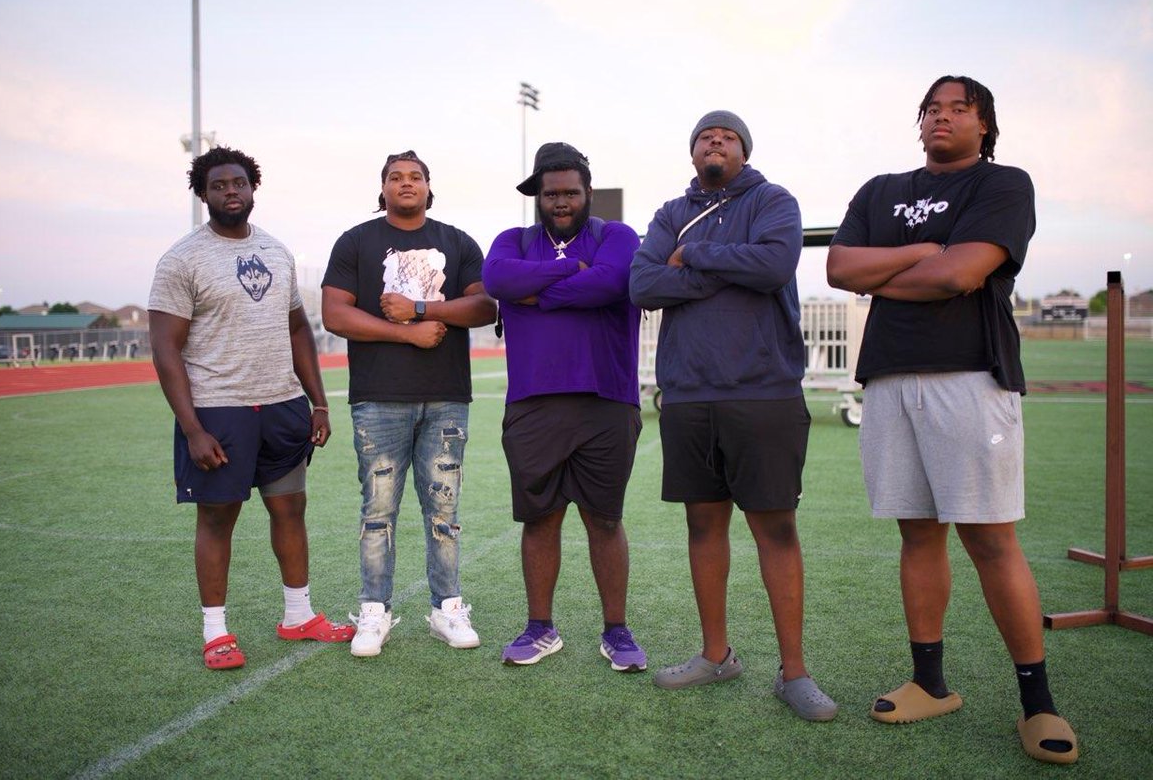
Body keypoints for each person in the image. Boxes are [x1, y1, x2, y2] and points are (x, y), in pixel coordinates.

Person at [827, 75, 1077, 764]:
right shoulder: (881, 190)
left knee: (992, 541)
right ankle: (930, 683)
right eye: (931, 109)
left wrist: (896, 273)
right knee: (917, 534)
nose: (941, 118)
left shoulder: (1003, 184)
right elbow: (840, 268)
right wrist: (917, 254)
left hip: (970, 377)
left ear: (985, 125)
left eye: (958, 109)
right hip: (888, 379)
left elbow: (960, 276)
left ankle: (1038, 703)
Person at [629, 112, 836, 719]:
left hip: (763, 390)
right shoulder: (670, 211)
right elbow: (642, 285)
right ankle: (716, 654)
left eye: (726, 137)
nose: (713, 142)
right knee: (703, 525)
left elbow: (773, 267)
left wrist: (692, 257)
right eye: (703, 137)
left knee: (775, 528)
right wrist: (721, 274)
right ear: (692, 152)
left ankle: (794, 672)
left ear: (744, 150)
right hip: (689, 394)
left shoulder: (773, 200)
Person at [149, 146, 352, 671]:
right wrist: (192, 427)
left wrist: (319, 401)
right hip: (220, 410)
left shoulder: (278, 252)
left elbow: (296, 329)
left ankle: (298, 615)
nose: (231, 192)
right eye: (219, 185)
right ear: (203, 194)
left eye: (238, 183)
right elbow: (166, 349)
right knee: (218, 520)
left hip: (283, 405)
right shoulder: (181, 259)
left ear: (253, 187)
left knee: (290, 509)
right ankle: (215, 631)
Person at [322, 150, 497, 657]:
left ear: (428, 186)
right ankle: (374, 611)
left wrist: (422, 307)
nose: (406, 183)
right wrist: (410, 335)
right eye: (395, 177)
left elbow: (484, 305)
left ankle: (448, 607)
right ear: (383, 189)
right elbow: (335, 314)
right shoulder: (356, 242)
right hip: (378, 398)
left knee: (444, 509)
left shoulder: (457, 241)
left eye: (415, 177)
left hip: (446, 398)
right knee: (378, 511)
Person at [482, 142, 647, 672]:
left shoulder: (615, 236)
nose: (560, 201)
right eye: (550, 193)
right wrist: (571, 275)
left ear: (587, 193)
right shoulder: (513, 240)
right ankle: (540, 628)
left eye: (570, 192)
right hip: (533, 400)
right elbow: (497, 281)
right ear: (537, 194)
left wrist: (536, 294)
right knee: (540, 520)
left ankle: (617, 631)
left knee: (605, 520)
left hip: (607, 398)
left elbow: (612, 281)